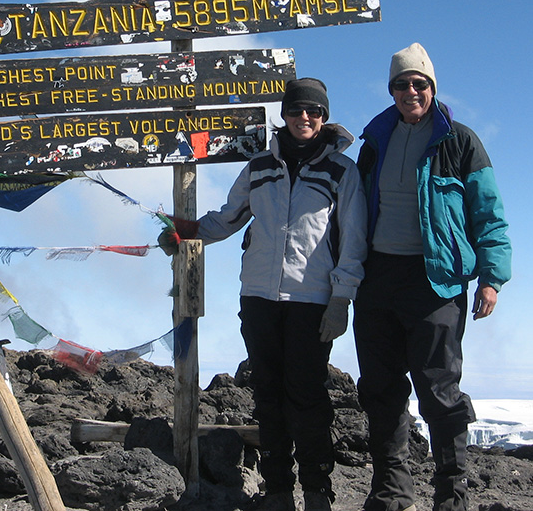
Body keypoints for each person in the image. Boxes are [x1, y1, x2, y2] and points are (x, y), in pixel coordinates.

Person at [160, 78, 367, 511]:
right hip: (257, 298)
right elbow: (228, 219)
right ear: (284, 116)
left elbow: (353, 240)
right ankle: (276, 492)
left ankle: (316, 491)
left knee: (308, 396)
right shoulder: (259, 166)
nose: (304, 118)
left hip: (312, 301)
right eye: (296, 111)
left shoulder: (342, 172)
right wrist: (185, 233)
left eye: (313, 111)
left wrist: (341, 299)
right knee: (267, 395)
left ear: (325, 117)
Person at [354, 43, 512, 511]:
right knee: (380, 389)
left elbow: (490, 215)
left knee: (439, 390)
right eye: (401, 84)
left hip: (435, 281)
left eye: (419, 84)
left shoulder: (458, 140)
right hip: (377, 277)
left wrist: (491, 278)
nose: (410, 92)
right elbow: (353, 209)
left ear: (432, 87)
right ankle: (391, 492)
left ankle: (451, 495)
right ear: (392, 90)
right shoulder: (375, 140)